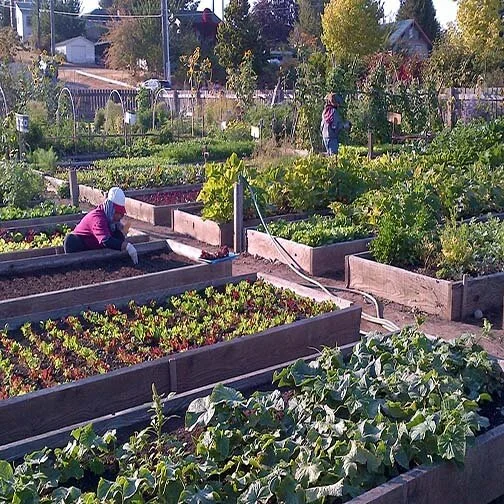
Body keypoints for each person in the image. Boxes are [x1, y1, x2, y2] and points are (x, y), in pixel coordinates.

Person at [63, 187, 139, 265]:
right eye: (117, 213)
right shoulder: (98, 218)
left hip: (93, 247)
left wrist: (123, 233)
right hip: (79, 246)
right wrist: (127, 246)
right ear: (111, 209)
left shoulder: (110, 220)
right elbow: (106, 241)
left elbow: (118, 237)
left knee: (117, 236)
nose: (120, 216)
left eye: (121, 214)